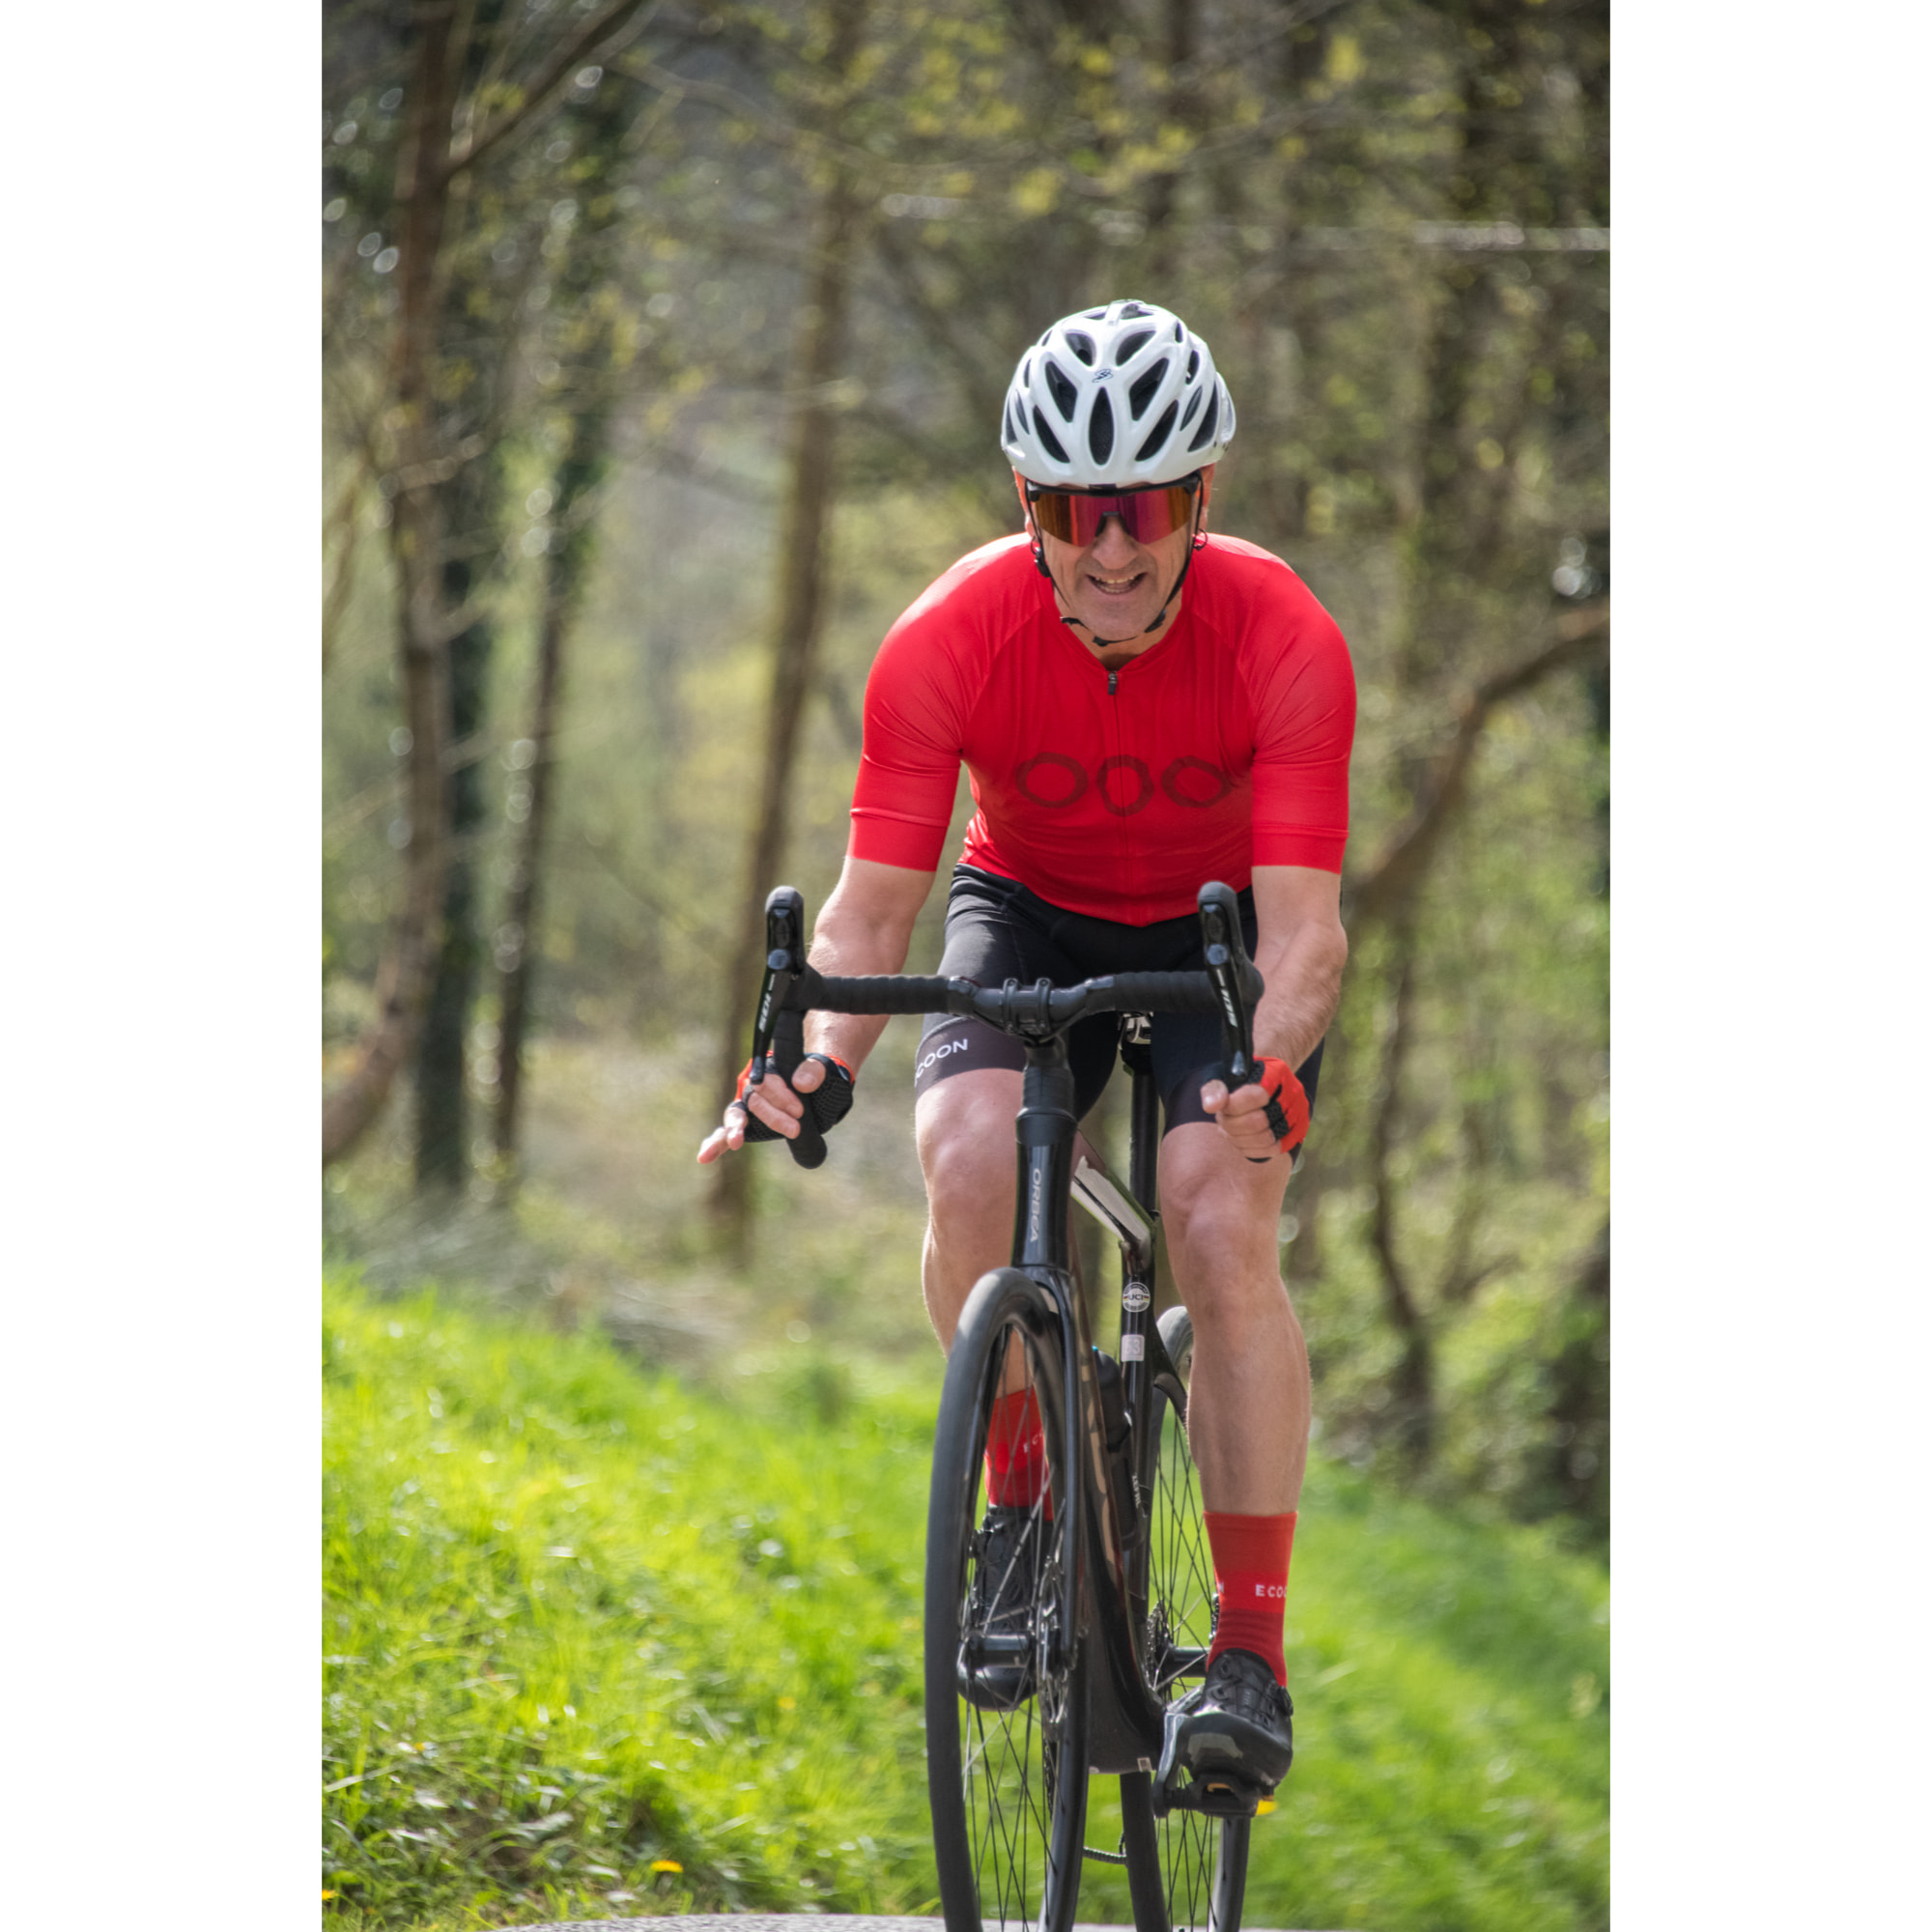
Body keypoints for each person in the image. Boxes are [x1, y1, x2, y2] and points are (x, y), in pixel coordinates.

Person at [697, 298, 1354, 1794]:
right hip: (1030, 906)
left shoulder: (1285, 637)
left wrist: (1270, 1064)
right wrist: (820, 1063)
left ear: (1202, 500)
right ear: (1027, 507)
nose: (1110, 548)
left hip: (1214, 931)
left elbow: (1307, 932)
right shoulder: (945, 638)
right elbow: (872, 917)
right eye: (1072, 509)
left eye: (1144, 508)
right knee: (972, 1160)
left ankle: (1248, 1655)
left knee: (1214, 1219)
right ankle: (1023, 1510)